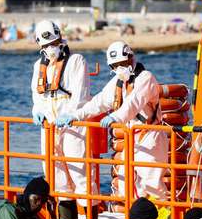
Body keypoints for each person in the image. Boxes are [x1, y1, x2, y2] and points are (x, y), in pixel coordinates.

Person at [56, 40, 168, 201]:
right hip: (131, 138)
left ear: (131, 58)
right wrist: (76, 115)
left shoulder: (146, 78)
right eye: (115, 66)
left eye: (123, 63)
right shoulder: (118, 83)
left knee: (152, 182)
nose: (119, 68)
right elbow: (99, 102)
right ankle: (135, 218)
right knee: (125, 182)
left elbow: (133, 103)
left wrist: (115, 117)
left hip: (150, 136)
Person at [30, 20, 98, 219]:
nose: (50, 48)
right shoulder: (38, 66)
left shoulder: (76, 61)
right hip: (49, 127)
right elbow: (37, 94)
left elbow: (80, 93)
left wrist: (70, 114)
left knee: (80, 172)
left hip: (73, 124)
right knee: (56, 175)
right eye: (46, 45)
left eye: (54, 43)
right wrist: (36, 110)